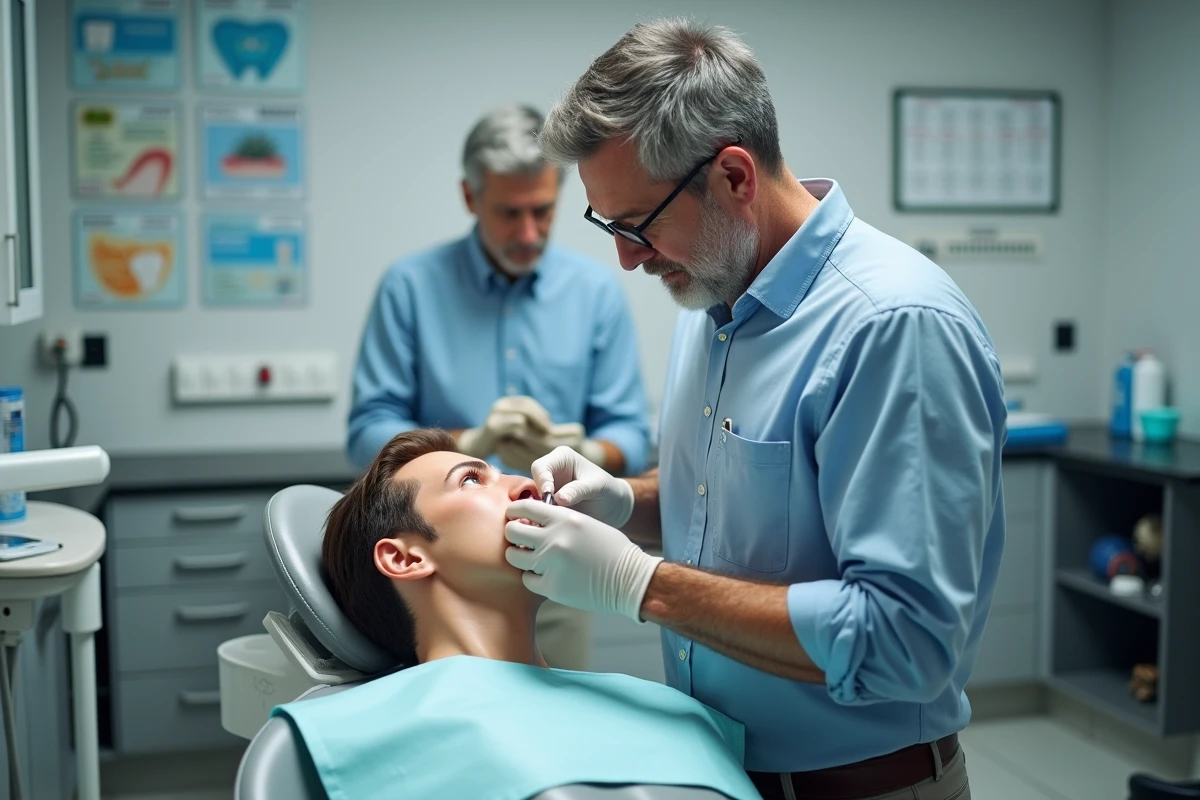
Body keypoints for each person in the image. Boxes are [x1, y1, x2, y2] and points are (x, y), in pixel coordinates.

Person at [502, 18, 1008, 800]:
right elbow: (726, 515)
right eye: (608, 225)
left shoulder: (892, 328)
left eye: (638, 225)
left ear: (734, 176)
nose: (626, 258)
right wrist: (620, 504)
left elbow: (907, 642)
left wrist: (643, 584)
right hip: (722, 774)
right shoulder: (711, 300)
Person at [346, 104, 653, 671]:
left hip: (558, 552)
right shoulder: (410, 288)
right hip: (446, 577)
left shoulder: (594, 293)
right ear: (470, 197)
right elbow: (367, 433)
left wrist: (587, 453)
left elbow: (630, 431)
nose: (529, 233)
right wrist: (464, 443)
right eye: (510, 213)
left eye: (543, 212)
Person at [296, 428, 761, 800]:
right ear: (405, 558)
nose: (523, 483)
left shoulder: (675, 713)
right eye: (472, 479)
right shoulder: (373, 737)